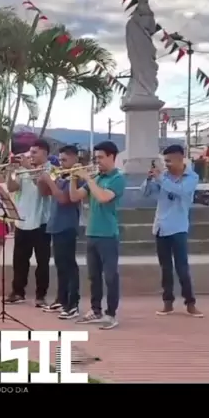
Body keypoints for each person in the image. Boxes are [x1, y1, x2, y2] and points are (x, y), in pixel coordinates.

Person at [140, 145, 204, 317]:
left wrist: (160, 178)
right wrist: (149, 180)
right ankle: (167, 303)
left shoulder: (192, 177)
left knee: (182, 268)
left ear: (180, 159)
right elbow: (145, 193)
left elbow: (181, 191)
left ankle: (190, 303)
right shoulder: (164, 176)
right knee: (165, 268)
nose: (166, 164)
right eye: (164, 161)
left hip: (178, 228)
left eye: (169, 161)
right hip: (161, 228)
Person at [69, 141, 126, 330]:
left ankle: (111, 314)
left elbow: (103, 198)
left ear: (112, 157)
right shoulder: (97, 178)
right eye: (96, 158)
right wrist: (73, 178)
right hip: (92, 232)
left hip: (108, 234)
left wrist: (88, 178)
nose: (97, 161)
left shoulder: (117, 178)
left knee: (110, 276)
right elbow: (75, 197)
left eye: (101, 157)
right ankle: (95, 310)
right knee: (93, 276)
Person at [5, 139, 52, 307]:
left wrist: (28, 167)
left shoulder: (50, 170)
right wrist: (10, 172)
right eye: (30, 152)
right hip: (22, 221)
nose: (30, 155)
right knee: (19, 260)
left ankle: (41, 295)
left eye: (34, 152)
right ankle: (18, 292)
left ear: (45, 153)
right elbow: (12, 188)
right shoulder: (23, 169)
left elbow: (44, 189)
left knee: (42, 262)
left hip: (41, 221)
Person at [40, 145, 81, 319]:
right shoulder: (61, 176)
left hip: (67, 226)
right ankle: (61, 299)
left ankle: (72, 304)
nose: (61, 163)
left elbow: (64, 199)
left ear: (75, 159)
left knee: (69, 265)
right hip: (56, 225)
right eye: (60, 160)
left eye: (65, 160)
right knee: (60, 265)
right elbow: (45, 193)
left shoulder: (77, 177)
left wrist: (50, 181)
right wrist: (43, 180)